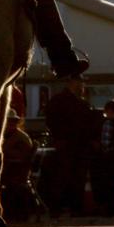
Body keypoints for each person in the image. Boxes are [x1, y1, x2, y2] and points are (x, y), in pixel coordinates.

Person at [45, 75, 95, 217]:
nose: (82, 85)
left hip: (73, 145)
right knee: (65, 177)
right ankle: (64, 207)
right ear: (73, 82)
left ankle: (67, 207)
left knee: (71, 177)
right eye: (81, 82)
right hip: (70, 145)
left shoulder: (60, 101)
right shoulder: (66, 102)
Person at [0, 108, 37, 222]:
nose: (10, 124)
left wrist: (6, 155)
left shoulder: (21, 138)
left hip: (17, 172)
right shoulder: (3, 136)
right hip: (7, 169)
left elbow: (23, 158)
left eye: (12, 121)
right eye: (8, 121)